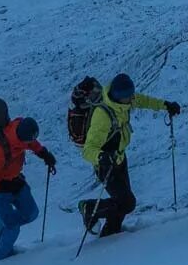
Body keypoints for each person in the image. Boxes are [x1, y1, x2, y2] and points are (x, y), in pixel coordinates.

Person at [77, 72, 181, 237]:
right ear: (119, 96)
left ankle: (111, 233)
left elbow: (143, 100)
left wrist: (165, 105)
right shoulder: (102, 116)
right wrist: (101, 157)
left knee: (122, 202)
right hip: (106, 165)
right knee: (127, 203)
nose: (132, 98)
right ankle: (89, 207)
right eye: (129, 96)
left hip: (119, 159)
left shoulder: (123, 102)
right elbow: (88, 149)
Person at [0, 115, 58, 259]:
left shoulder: (21, 134)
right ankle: (3, 256)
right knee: (12, 227)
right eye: (29, 140)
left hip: (16, 181)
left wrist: (43, 153)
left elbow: (31, 143)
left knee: (32, 213)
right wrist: (3, 186)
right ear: (22, 138)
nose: (31, 142)